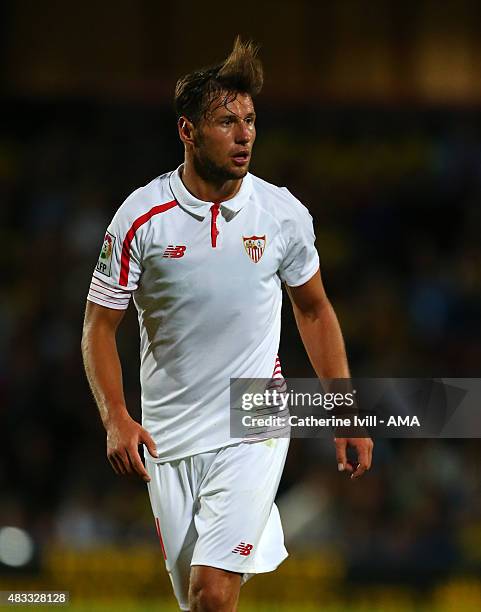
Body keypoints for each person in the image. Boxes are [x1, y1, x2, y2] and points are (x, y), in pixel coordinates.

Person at [81, 37, 373, 612]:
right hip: (169, 437)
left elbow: (313, 310)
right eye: (226, 121)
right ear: (187, 130)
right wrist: (116, 417)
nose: (244, 135)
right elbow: (98, 327)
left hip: (255, 421)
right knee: (198, 604)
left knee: (213, 594)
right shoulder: (141, 219)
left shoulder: (283, 215)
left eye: (250, 120)